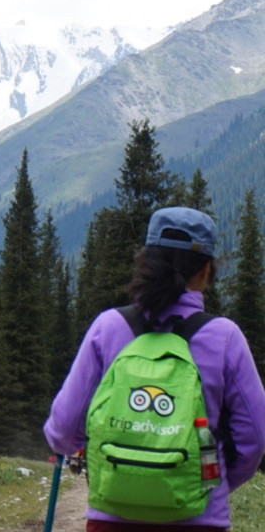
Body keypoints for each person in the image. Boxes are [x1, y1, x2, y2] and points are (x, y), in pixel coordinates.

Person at [45, 206, 265, 531]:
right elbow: (255, 439)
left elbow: (63, 431)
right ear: (206, 270)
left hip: (112, 521)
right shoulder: (225, 337)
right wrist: (206, 482)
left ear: (146, 261)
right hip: (200, 521)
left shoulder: (108, 327)